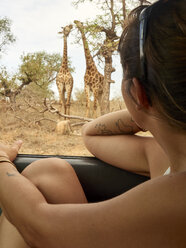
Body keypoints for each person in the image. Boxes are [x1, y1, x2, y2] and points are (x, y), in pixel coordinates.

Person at [0, 0, 186, 247]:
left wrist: (1, 161)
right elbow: (91, 134)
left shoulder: (177, 195)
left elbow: (40, 227)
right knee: (49, 172)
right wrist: (157, 111)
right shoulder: (166, 156)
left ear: (138, 92)